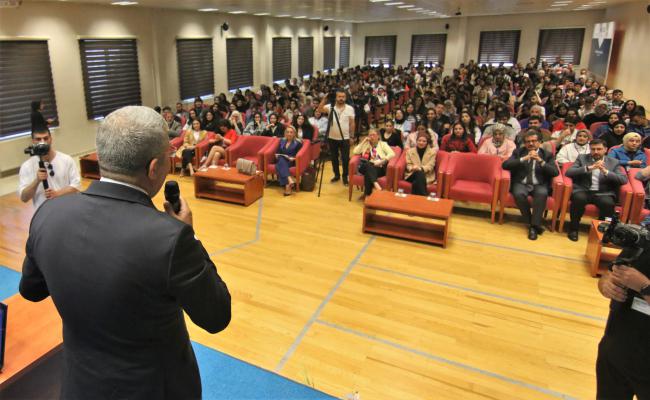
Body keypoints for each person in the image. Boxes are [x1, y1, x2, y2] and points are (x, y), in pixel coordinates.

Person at [19, 106, 231, 399]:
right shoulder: (170, 238)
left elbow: (31, 290)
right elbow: (217, 315)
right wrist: (189, 234)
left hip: (80, 384)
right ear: (154, 167)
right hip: (154, 389)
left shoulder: (48, 214)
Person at [565, 139, 628, 241]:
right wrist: (589, 168)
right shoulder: (582, 158)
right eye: (593, 149)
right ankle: (573, 229)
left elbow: (623, 180)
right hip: (583, 190)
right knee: (578, 199)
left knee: (608, 204)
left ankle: (601, 232)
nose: (596, 152)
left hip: (603, 193)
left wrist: (605, 171)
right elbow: (569, 172)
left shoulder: (614, 162)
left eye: (599, 149)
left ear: (605, 150)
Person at [502, 129, 559, 240]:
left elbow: (555, 172)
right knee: (518, 193)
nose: (531, 143)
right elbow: (505, 165)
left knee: (542, 194)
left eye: (534, 141)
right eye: (528, 141)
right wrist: (524, 158)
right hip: (521, 183)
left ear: (540, 142)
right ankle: (534, 225)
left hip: (539, 184)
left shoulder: (547, 155)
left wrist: (540, 161)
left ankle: (532, 226)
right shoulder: (518, 152)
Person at [18, 129, 81, 210]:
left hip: (67, 210)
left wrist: (57, 193)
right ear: (33, 141)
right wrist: (37, 181)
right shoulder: (26, 166)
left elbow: (76, 186)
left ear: (51, 139)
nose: (42, 142)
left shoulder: (66, 160)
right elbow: (24, 198)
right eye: (38, 139)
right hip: (44, 214)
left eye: (46, 138)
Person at [318, 89, 356, 186]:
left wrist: (352, 136)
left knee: (345, 158)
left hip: (345, 138)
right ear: (336, 97)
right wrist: (324, 99)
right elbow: (319, 109)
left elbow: (352, 123)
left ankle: (345, 176)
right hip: (332, 138)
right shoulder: (330, 107)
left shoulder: (350, 108)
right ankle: (336, 175)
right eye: (339, 97)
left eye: (343, 97)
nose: (341, 98)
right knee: (334, 158)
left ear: (345, 98)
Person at [352, 129, 395, 199]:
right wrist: (363, 141)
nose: (372, 137)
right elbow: (355, 151)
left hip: (379, 168)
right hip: (364, 166)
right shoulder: (366, 144)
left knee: (368, 173)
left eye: (374, 135)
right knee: (368, 164)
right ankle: (376, 184)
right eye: (370, 135)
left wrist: (382, 161)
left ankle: (367, 195)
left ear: (378, 136)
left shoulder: (383, 144)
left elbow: (392, 153)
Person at [404, 131, 437, 196]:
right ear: (416, 141)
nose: (421, 143)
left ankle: (416, 199)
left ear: (427, 142)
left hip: (426, 175)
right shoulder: (410, 151)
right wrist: (412, 168)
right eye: (419, 140)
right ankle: (423, 196)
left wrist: (420, 168)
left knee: (418, 179)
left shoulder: (432, 152)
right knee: (418, 174)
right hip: (412, 174)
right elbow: (408, 164)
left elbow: (431, 165)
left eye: (424, 141)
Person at [275, 125, 303, 196]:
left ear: (294, 133)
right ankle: (289, 181)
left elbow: (300, 155)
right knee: (281, 159)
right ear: (285, 133)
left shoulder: (298, 143)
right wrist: (277, 154)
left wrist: (293, 158)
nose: (289, 134)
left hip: (291, 161)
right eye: (287, 132)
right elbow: (278, 151)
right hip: (281, 159)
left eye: (291, 132)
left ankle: (288, 184)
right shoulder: (282, 140)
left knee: (279, 165)